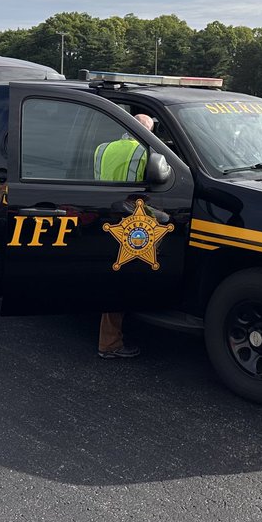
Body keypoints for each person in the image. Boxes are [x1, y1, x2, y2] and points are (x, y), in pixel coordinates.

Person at [94, 112, 156, 359]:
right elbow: (144, 193)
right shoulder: (145, 153)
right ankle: (109, 344)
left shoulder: (102, 148)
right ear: (147, 130)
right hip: (131, 222)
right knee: (121, 282)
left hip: (104, 215)